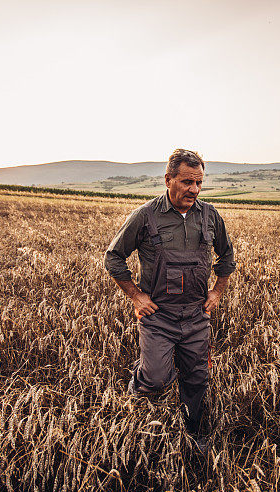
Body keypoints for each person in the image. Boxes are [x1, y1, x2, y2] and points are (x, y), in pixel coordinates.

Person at [104, 149, 236, 451]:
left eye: (199, 183)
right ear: (168, 180)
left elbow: (226, 256)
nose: (194, 189)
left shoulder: (210, 216)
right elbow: (114, 257)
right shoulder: (145, 216)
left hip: (195, 316)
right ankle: (137, 398)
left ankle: (195, 434)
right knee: (156, 378)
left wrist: (217, 291)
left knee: (198, 379)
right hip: (159, 316)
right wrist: (137, 297)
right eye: (187, 182)